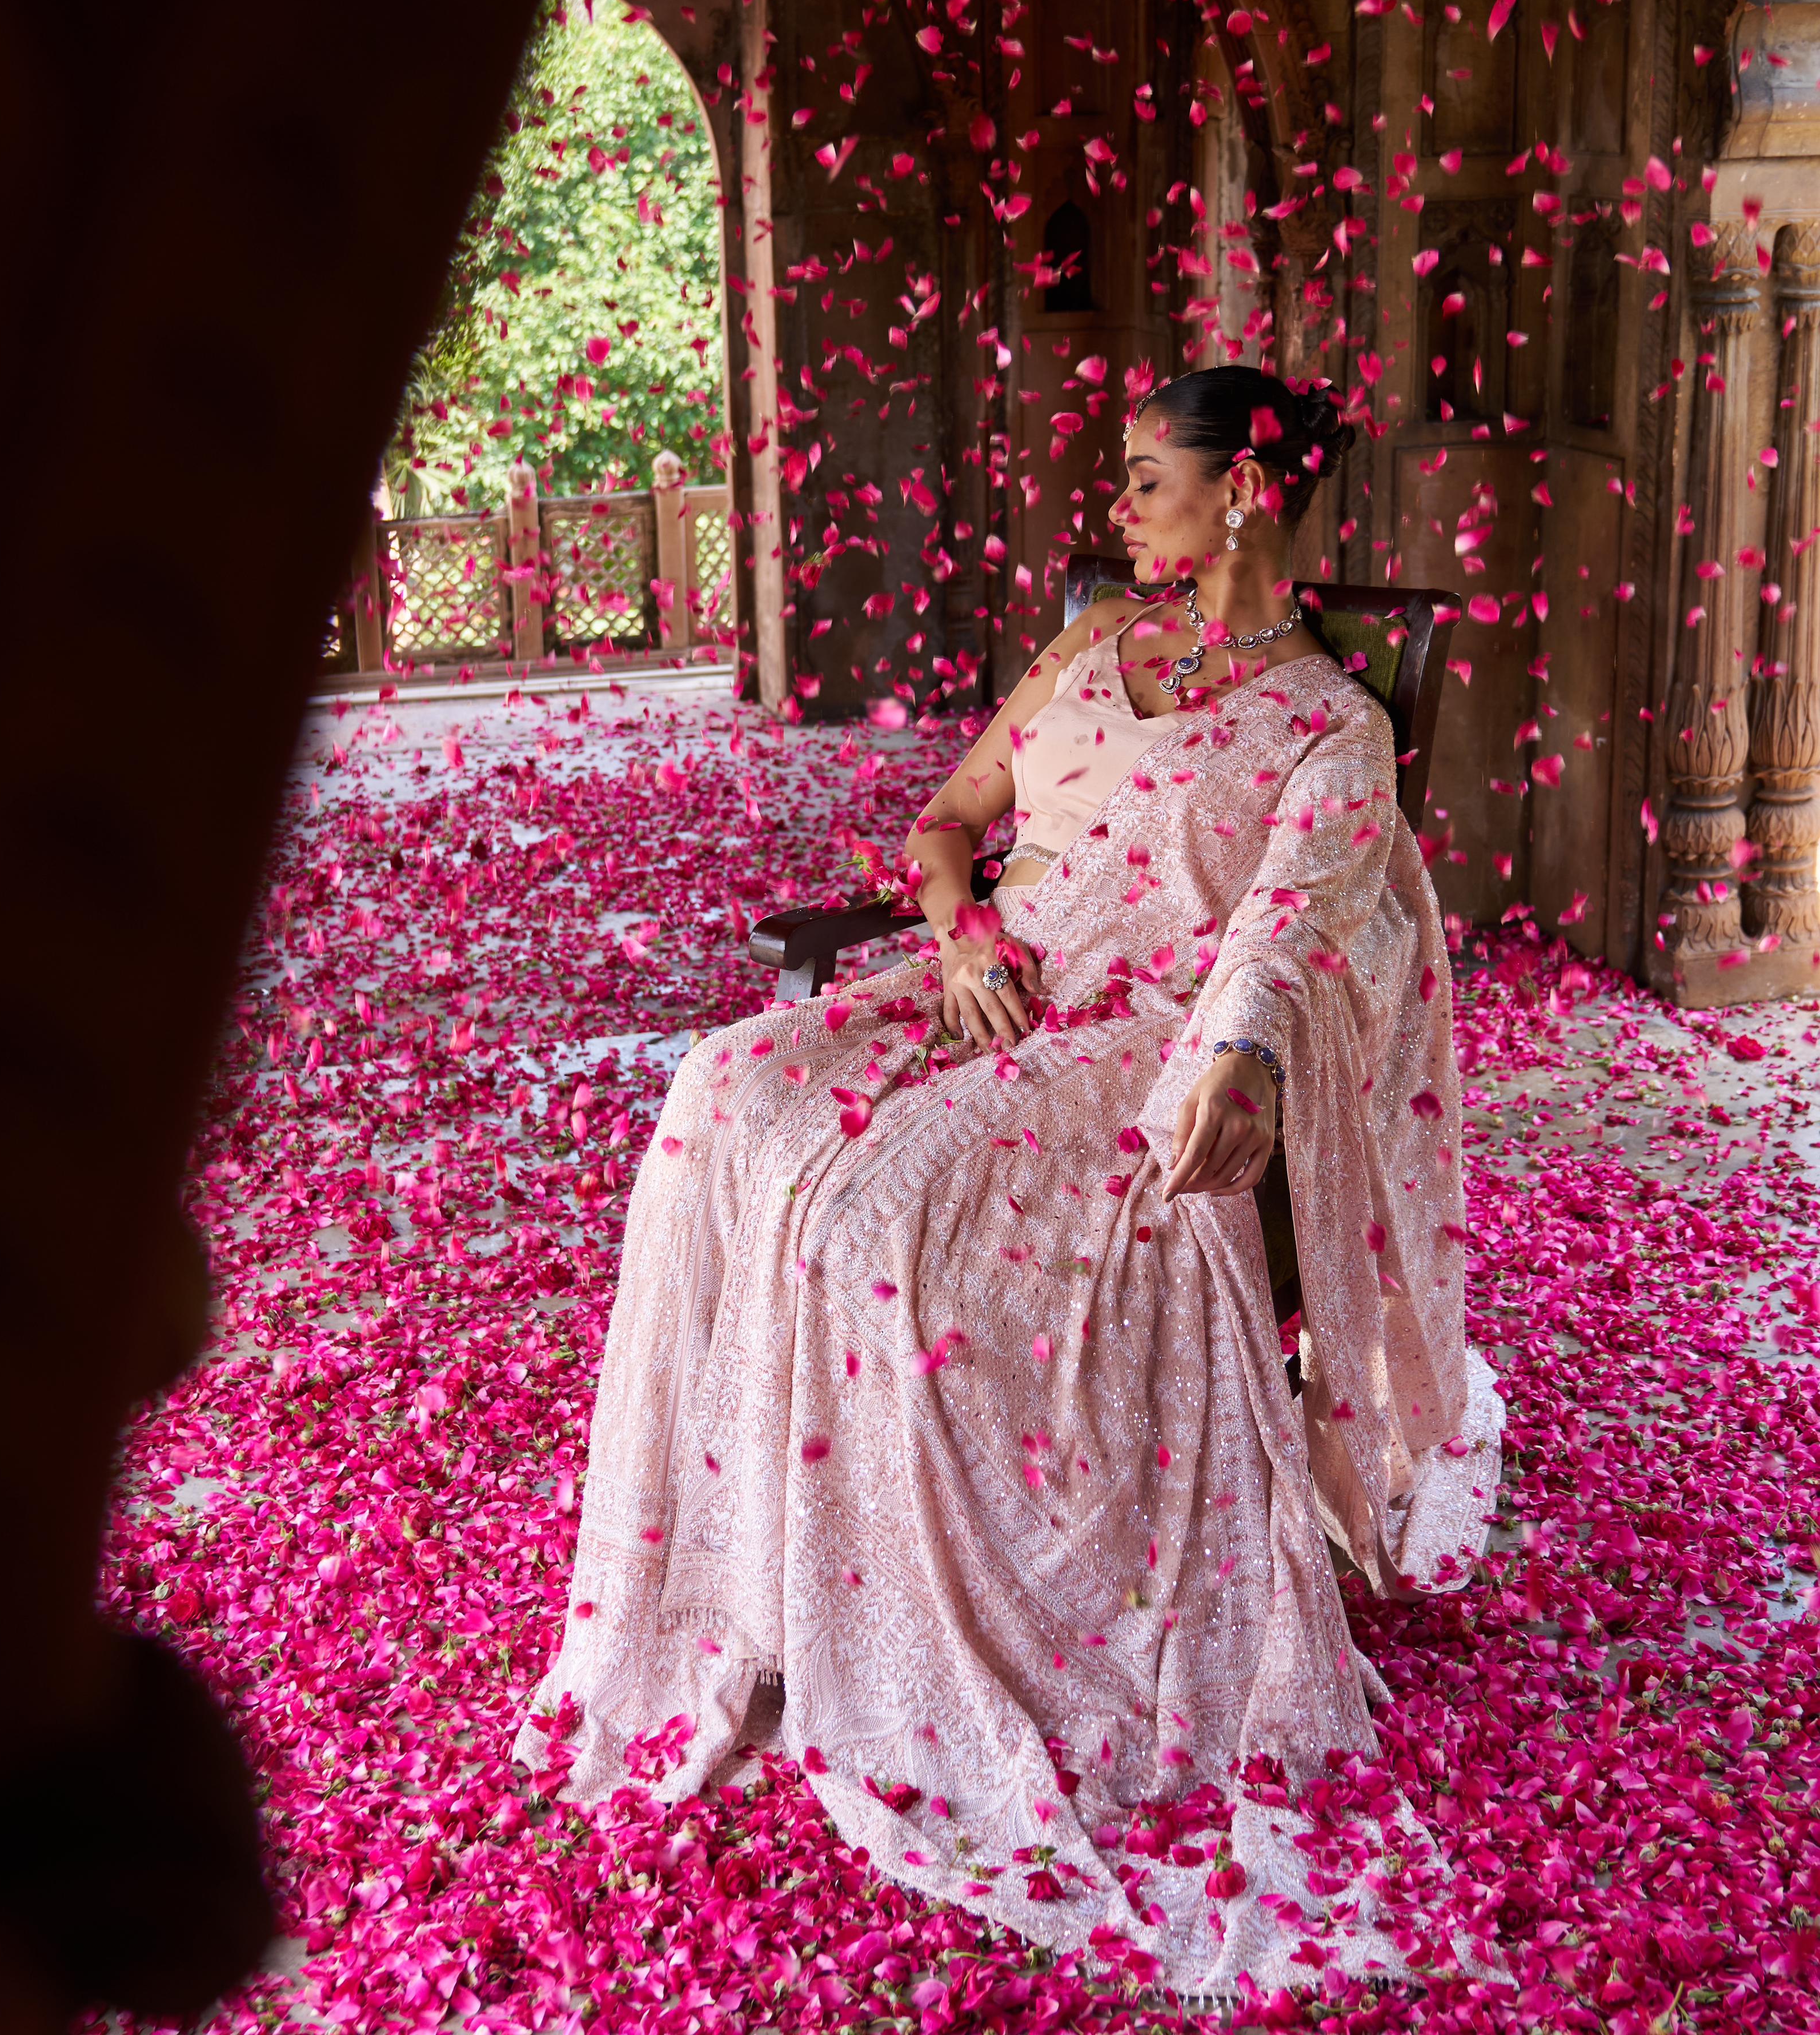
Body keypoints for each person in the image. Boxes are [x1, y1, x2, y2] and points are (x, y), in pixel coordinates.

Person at [515, 366, 1505, 2002]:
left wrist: (1244, 1055)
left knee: (873, 1207)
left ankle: (902, 1631)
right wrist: (964, 931)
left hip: (1143, 1042)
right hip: (991, 979)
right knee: (724, 1091)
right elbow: (946, 822)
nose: (1118, 504)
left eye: (1146, 477)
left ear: (1247, 489)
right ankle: (751, 1578)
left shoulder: (1338, 726)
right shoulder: (1088, 647)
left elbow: (1285, 936)